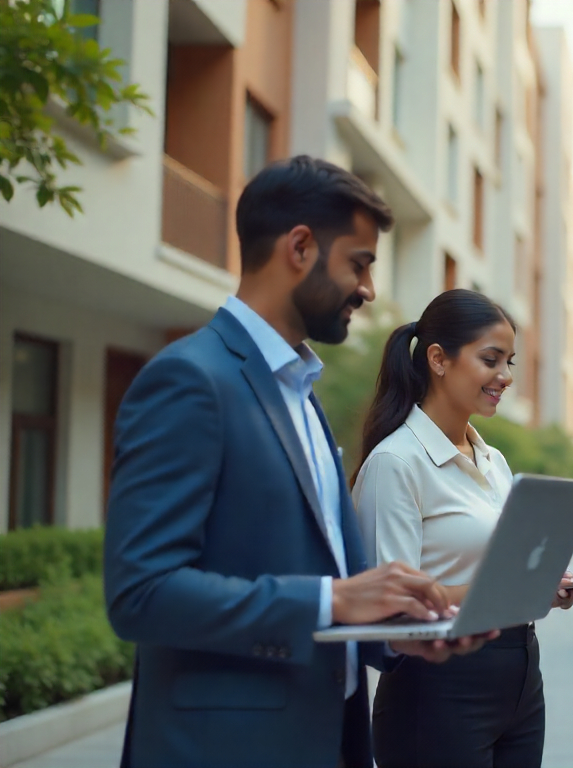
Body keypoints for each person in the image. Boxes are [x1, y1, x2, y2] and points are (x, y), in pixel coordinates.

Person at [103, 156, 490, 768]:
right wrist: (333, 600)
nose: (367, 288)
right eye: (359, 263)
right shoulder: (188, 380)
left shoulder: (300, 393)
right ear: (301, 247)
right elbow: (141, 593)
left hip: (329, 740)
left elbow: (323, 579)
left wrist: (404, 632)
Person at [353, 288, 573, 768]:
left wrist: (537, 587)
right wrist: (496, 589)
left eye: (510, 362)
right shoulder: (396, 463)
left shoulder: (494, 459)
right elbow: (391, 604)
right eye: (491, 360)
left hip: (520, 675)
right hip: (438, 686)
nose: (505, 377)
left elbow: (500, 568)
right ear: (438, 359)